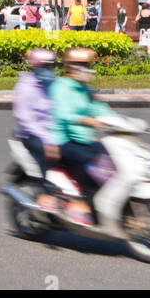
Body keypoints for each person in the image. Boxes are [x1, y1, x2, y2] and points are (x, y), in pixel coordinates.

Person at [49, 47, 120, 223]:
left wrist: (122, 121)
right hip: (62, 139)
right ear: (70, 66)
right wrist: (86, 120)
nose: (85, 68)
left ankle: (104, 201)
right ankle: (82, 203)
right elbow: (63, 113)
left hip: (83, 138)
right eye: (81, 64)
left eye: (86, 64)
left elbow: (98, 107)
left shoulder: (83, 88)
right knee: (90, 161)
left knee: (111, 156)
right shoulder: (61, 86)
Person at [12, 48, 61, 210]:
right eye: (46, 67)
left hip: (53, 132)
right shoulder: (26, 86)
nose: (50, 70)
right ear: (37, 66)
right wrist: (47, 139)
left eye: (51, 67)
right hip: (32, 134)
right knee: (45, 152)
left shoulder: (53, 85)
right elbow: (24, 117)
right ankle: (46, 193)